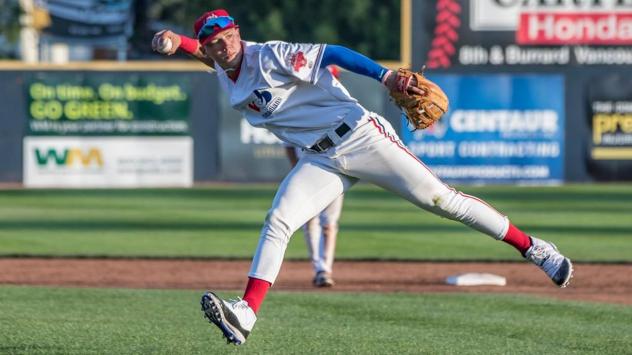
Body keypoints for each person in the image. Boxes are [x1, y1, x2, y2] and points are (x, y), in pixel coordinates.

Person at [152, 9, 573, 346]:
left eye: (226, 37)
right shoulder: (224, 68)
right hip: (320, 160)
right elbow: (207, 55)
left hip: (360, 137)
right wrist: (179, 41)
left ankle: (535, 249)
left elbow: (332, 53)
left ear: (238, 32)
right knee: (279, 220)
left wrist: (385, 75)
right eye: (212, 44)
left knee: (442, 201)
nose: (222, 47)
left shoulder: (270, 55)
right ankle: (246, 312)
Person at [284, 96, 343, 287]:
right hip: (307, 171)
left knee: (329, 223)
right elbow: (287, 144)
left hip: (335, 171)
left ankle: (325, 269)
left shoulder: (340, 110)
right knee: (309, 221)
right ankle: (319, 268)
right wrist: (296, 170)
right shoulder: (299, 112)